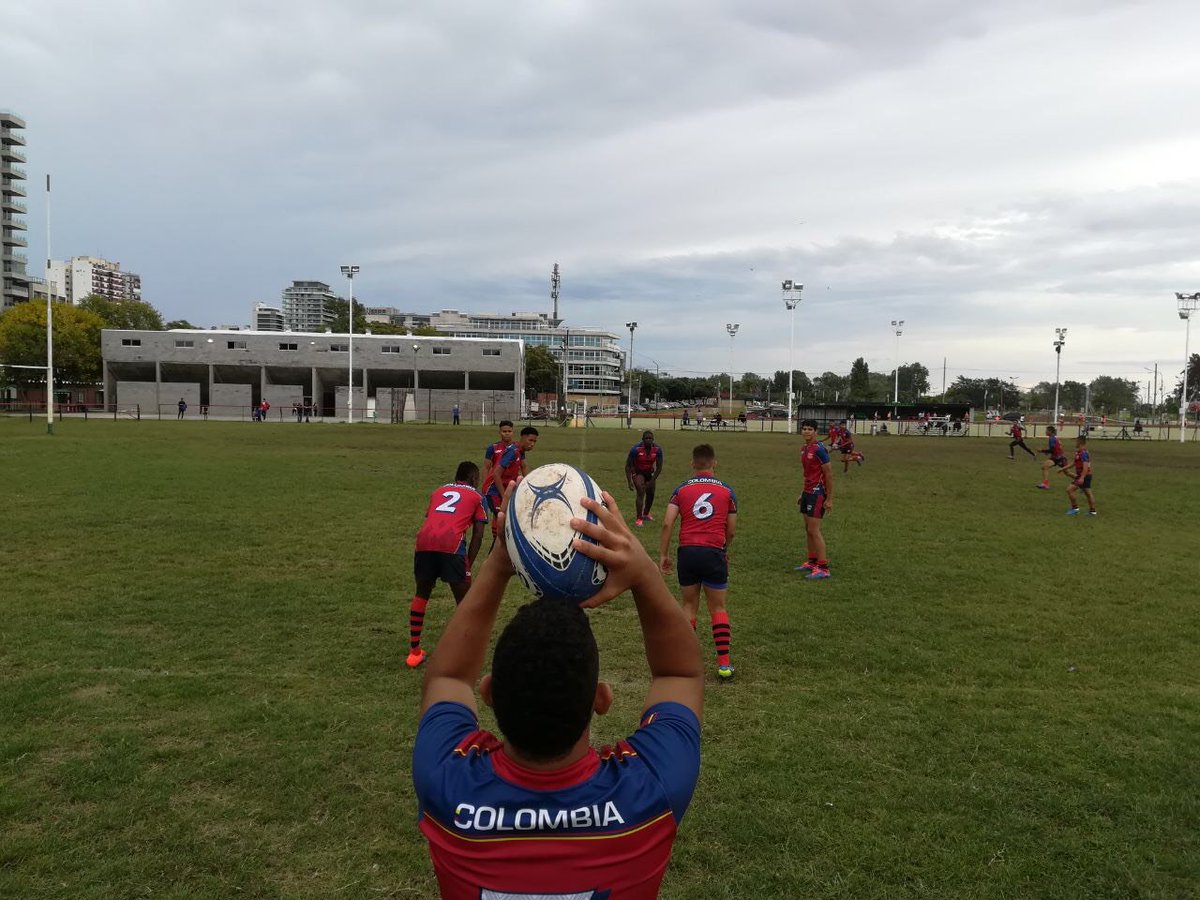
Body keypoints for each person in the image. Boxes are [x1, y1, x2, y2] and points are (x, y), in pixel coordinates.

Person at [412, 485, 703, 899]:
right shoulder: (648, 792)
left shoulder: (446, 782)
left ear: (489, 692)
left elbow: (448, 678)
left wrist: (501, 559)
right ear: (601, 700)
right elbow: (680, 674)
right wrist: (644, 572)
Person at [659, 443, 738, 680]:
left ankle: (685, 662)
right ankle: (724, 665)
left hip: (688, 552)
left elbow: (667, 523)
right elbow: (731, 530)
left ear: (692, 463)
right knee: (718, 608)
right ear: (715, 463)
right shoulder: (727, 491)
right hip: (713, 552)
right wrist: (724, 548)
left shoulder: (680, 490)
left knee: (689, 605)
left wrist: (663, 554)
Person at [406, 461, 489, 669]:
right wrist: (468, 563)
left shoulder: (438, 491)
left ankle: (414, 652)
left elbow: (435, 517)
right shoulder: (478, 496)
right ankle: (464, 652)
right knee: (465, 602)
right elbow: (478, 534)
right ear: (473, 478)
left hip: (424, 542)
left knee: (421, 594)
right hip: (451, 545)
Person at [482, 426, 539, 543]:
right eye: (530, 440)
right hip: (493, 490)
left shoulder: (519, 451)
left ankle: (498, 544)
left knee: (503, 517)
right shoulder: (513, 452)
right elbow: (496, 474)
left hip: (502, 490)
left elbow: (523, 467)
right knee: (503, 517)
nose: (532, 444)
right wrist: (504, 496)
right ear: (523, 437)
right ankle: (497, 546)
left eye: (534, 442)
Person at [796, 419, 834, 580]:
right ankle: (812, 562)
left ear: (816, 432)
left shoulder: (819, 450)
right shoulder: (804, 449)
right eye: (804, 428)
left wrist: (829, 498)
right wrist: (803, 492)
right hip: (808, 492)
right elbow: (809, 474)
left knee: (814, 530)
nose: (806, 431)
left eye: (810, 429)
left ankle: (823, 568)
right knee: (808, 529)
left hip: (817, 493)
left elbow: (828, 474)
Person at [626, 430, 664, 527]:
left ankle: (646, 514)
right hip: (637, 472)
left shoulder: (657, 449)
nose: (648, 440)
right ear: (642, 439)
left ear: (653, 439)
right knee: (641, 491)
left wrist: (652, 480)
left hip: (648, 473)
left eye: (650, 438)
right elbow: (628, 466)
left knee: (651, 493)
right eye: (646, 438)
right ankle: (639, 518)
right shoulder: (635, 449)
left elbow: (659, 467)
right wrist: (629, 481)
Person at [1063, 435, 1096, 516]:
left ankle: (1075, 509)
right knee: (1088, 493)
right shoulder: (1079, 452)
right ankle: (1092, 511)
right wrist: (1063, 468)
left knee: (1070, 490)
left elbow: (1085, 467)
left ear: (1080, 443)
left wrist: (1082, 478)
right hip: (1083, 476)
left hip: (1084, 476)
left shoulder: (1084, 453)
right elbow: (1074, 463)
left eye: (1076, 442)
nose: (1075, 443)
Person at [1037, 425, 1068, 490]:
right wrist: (1047, 452)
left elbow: (1052, 450)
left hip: (1058, 458)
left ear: (1050, 431)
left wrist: (1042, 450)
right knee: (1045, 467)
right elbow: (1054, 449)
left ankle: (1082, 482)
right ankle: (1045, 484)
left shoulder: (1051, 438)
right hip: (1057, 457)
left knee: (1067, 473)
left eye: (1046, 430)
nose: (1045, 432)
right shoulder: (1053, 438)